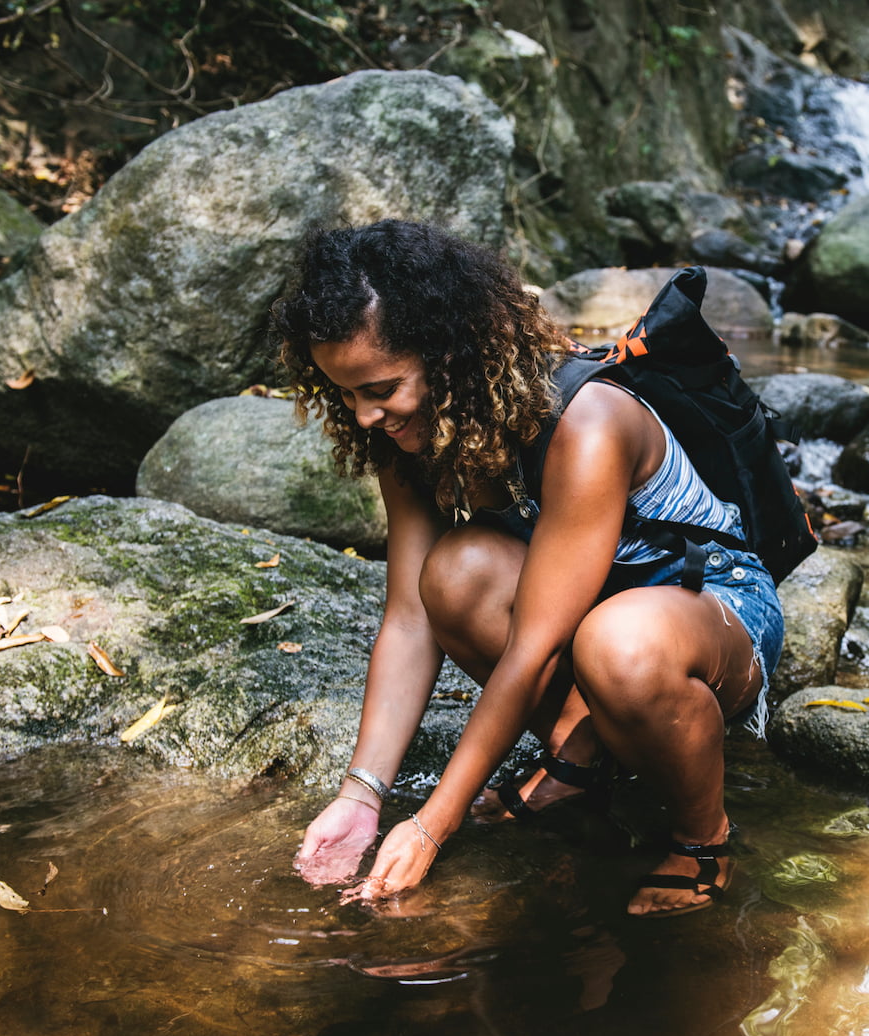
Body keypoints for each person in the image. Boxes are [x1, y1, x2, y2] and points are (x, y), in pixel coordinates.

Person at [273, 219, 784, 918]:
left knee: (620, 645)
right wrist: (360, 796)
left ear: (448, 355)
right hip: (589, 613)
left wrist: (432, 823)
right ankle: (582, 759)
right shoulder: (408, 438)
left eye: (381, 388)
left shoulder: (588, 419)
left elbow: (535, 645)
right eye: (347, 395)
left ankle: (704, 840)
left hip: (705, 606)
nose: (364, 416)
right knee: (456, 572)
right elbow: (410, 620)